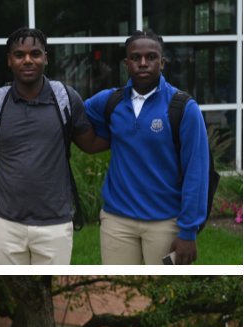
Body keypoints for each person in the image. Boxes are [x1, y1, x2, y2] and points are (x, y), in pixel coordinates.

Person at [0, 28, 106, 264]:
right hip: (5, 223)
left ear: (45, 58)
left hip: (55, 224)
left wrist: (128, 130)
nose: (28, 60)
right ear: (9, 60)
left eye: (35, 53)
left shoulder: (65, 98)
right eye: (19, 55)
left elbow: (90, 143)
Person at [84, 31, 209, 265]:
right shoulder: (109, 101)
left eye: (151, 57)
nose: (143, 63)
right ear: (126, 63)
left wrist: (188, 231)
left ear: (162, 62)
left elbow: (197, 172)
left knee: (164, 290)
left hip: (164, 221)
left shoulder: (183, 107)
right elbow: (72, 115)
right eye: (135, 57)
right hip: (116, 220)